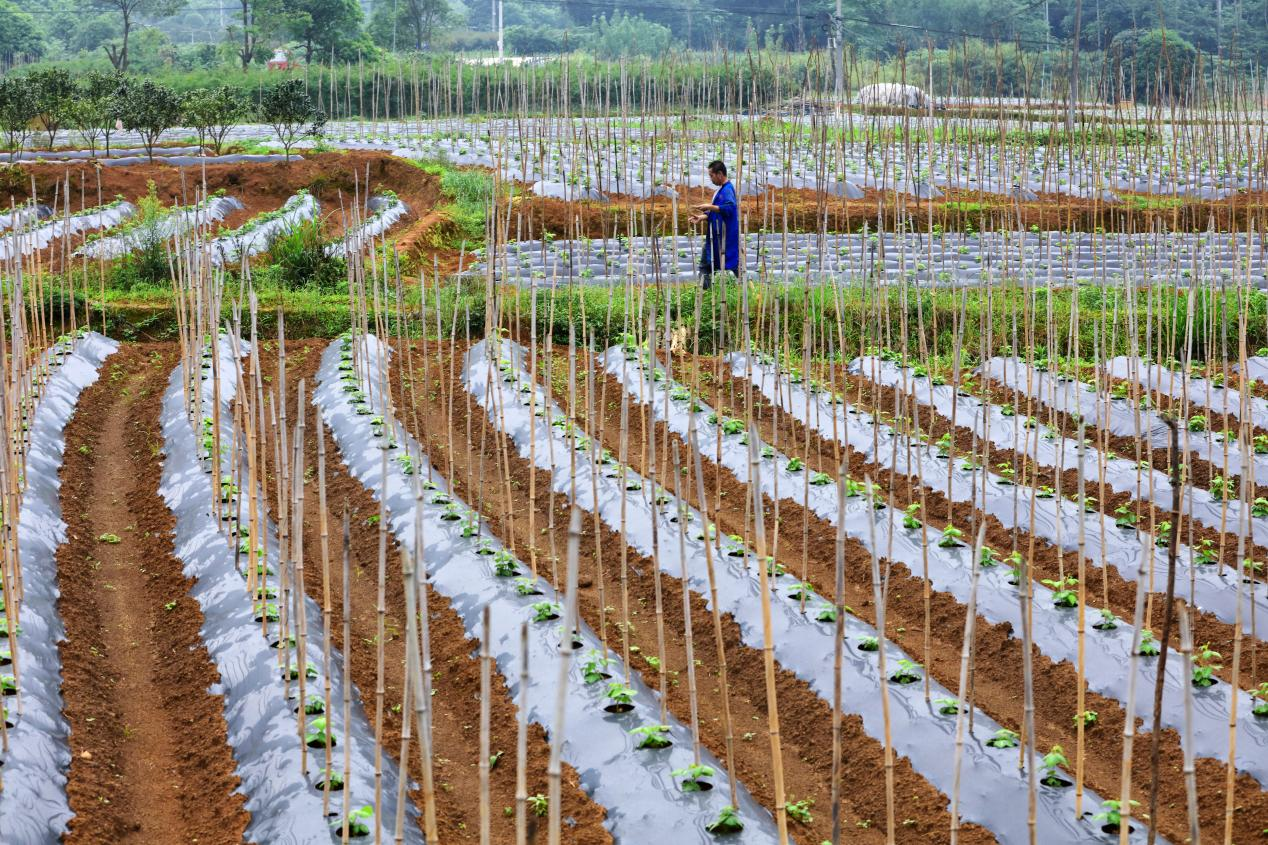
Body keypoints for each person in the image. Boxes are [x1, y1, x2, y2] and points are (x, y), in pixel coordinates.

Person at [689, 159, 739, 289]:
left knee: (706, 266)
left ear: (720, 174)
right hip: (718, 235)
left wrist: (709, 206)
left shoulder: (727, 190)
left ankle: (704, 293)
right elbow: (718, 212)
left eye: (711, 175)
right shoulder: (722, 190)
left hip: (723, 236)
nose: (711, 179)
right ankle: (750, 288)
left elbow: (729, 208)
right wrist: (702, 217)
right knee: (733, 265)